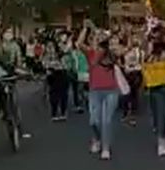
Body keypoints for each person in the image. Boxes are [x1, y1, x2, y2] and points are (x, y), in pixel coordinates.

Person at [79, 25, 122, 161]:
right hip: (95, 91)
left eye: (100, 38)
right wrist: (85, 28)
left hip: (111, 90)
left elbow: (125, 48)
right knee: (94, 121)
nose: (98, 40)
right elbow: (79, 44)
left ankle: (106, 148)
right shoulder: (90, 53)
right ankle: (97, 138)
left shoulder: (111, 54)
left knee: (107, 121)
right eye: (96, 38)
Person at [43, 37, 69, 121]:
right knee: (54, 95)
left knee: (63, 95)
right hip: (52, 75)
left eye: (51, 46)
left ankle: (63, 112)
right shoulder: (46, 56)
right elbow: (45, 64)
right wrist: (52, 66)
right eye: (48, 46)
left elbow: (66, 62)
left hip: (62, 74)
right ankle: (54, 113)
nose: (50, 48)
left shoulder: (61, 53)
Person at [122, 37, 144, 126]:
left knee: (134, 91)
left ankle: (132, 109)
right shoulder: (125, 51)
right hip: (129, 73)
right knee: (128, 92)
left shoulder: (141, 52)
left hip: (136, 72)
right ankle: (127, 109)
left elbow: (142, 63)